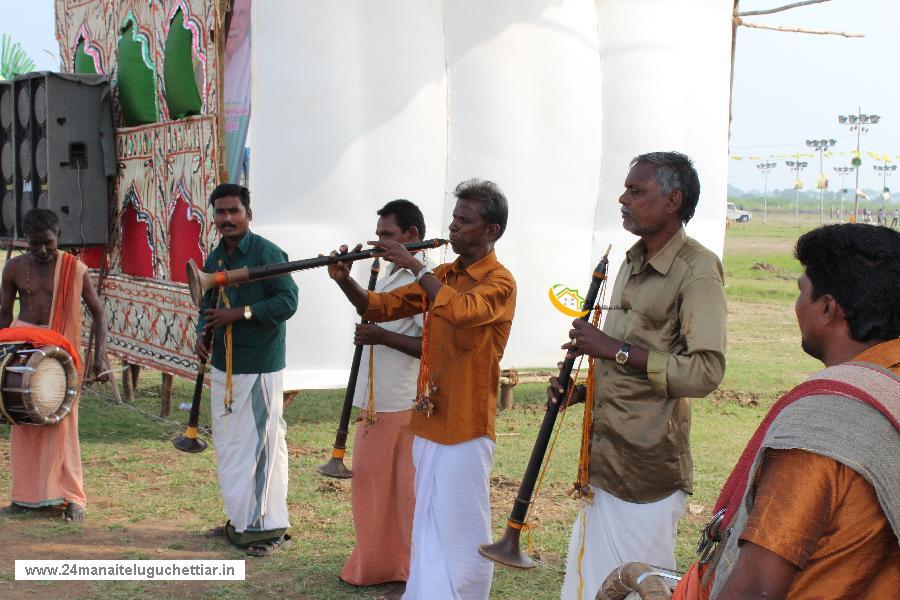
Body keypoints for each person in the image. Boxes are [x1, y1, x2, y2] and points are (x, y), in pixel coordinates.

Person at [672, 224, 900, 600]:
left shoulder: (821, 431)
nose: (797, 306)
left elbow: (757, 587)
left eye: (801, 293)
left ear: (827, 309)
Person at [549, 152, 727, 599]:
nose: (622, 199)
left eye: (636, 191)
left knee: (636, 590)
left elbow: (706, 372)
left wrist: (615, 349)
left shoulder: (697, 270)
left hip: (647, 474)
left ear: (672, 200)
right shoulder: (629, 260)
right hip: (604, 466)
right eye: (625, 189)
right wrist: (581, 390)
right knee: (588, 587)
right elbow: (624, 367)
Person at [328, 179, 516, 599]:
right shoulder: (445, 274)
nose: (452, 228)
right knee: (427, 523)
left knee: (462, 526)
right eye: (453, 218)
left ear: (492, 231)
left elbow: (464, 312)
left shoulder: (500, 283)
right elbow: (380, 307)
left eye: (464, 221)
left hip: (467, 426)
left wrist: (416, 267)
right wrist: (345, 280)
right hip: (427, 420)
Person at [195, 183, 298, 556]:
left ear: (248, 214)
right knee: (233, 447)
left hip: (259, 367)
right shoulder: (216, 258)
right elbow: (206, 303)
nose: (227, 218)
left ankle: (266, 529)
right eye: (220, 212)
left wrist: (240, 314)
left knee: (262, 448)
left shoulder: (267, 253)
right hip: (224, 366)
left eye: (233, 211)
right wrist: (201, 335)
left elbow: (288, 301)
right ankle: (240, 519)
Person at [338, 200, 429, 595]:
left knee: (401, 491)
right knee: (373, 487)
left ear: (411, 237)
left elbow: (433, 346)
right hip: (376, 399)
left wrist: (382, 336)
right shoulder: (388, 269)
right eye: (378, 236)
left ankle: (404, 568)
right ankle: (378, 563)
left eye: (388, 236)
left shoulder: (427, 277)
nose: (379, 243)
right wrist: (344, 279)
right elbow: (372, 307)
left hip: (401, 401)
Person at [0, 208, 110, 523]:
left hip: (61, 350)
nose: (43, 250)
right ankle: (26, 498)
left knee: (63, 425)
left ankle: (73, 499)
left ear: (57, 236)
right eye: (35, 244)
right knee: (23, 424)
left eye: (47, 243)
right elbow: (5, 313)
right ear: (26, 240)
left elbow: (98, 312)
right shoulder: (14, 268)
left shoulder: (74, 269)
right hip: (24, 348)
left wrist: (99, 356)